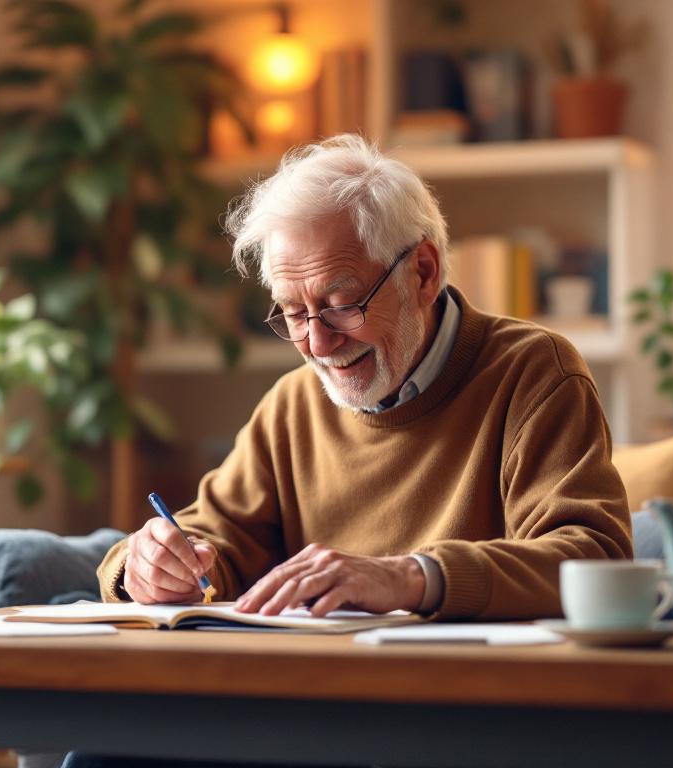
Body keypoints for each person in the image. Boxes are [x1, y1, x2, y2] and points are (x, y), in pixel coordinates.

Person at [61, 135, 632, 767]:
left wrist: (408, 577)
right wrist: (146, 565)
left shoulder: (534, 373)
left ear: (423, 272)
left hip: (462, 726)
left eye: (339, 304)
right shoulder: (293, 404)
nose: (316, 342)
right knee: (105, 755)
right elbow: (211, 540)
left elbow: (592, 554)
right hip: (301, 720)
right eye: (292, 312)